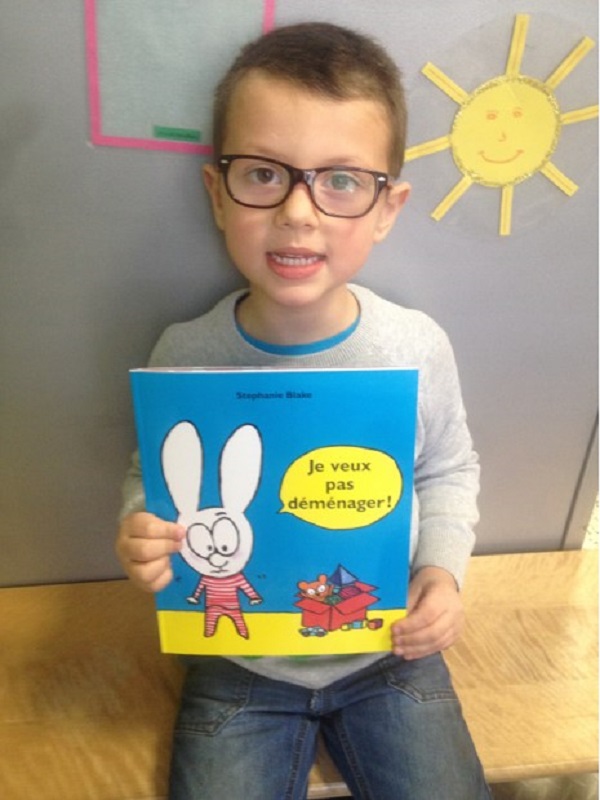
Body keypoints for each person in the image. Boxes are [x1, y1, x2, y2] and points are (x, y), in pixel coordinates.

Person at [116, 21, 491, 800]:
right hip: (236, 655)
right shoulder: (185, 350)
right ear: (216, 193)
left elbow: (448, 469)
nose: (298, 211)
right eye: (263, 173)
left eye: (341, 180)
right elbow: (152, 473)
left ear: (387, 208)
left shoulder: (415, 346)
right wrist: (142, 530)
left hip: (389, 649)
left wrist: (442, 575)